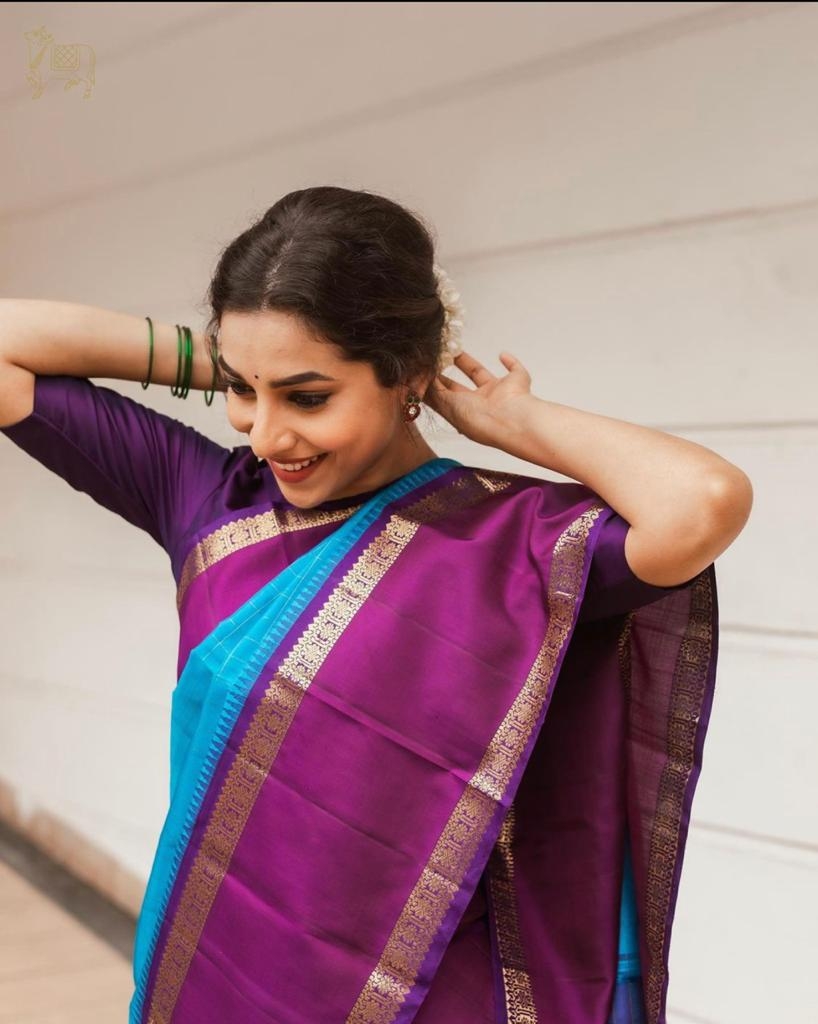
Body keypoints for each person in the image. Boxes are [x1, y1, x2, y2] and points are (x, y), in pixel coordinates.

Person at [0, 186, 752, 1024]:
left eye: (308, 397)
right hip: (227, 975)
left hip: (432, 995)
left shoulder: (517, 544)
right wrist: (243, 358)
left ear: (408, 373)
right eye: (244, 392)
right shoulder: (211, 503)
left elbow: (703, 503)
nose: (266, 436)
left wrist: (514, 422)